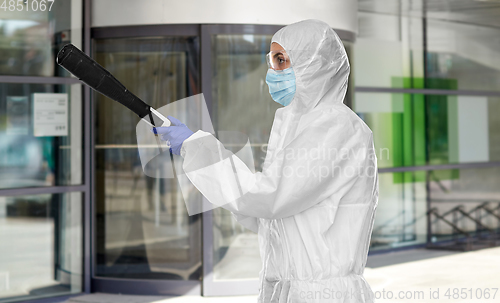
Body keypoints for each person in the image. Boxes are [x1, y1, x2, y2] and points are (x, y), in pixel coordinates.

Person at [154, 19, 379, 303]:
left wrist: (195, 147)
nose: (272, 72)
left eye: (282, 60)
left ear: (315, 64)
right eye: (271, 61)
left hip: (321, 294)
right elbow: (270, 217)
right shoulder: (295, 123)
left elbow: (273, 196)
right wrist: (198, 154)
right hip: (290, 289)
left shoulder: (336, 127)